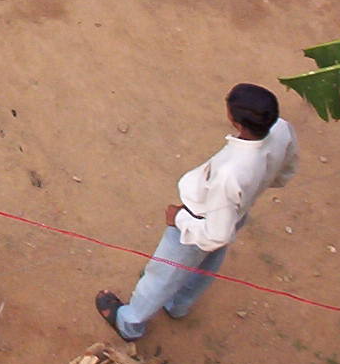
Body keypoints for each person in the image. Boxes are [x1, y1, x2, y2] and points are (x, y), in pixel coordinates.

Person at [97, 83, 300, 341]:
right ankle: (179, 304)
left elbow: (216, 235)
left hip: (199, 223)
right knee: (206, 263)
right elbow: (287, 170)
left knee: (163, 273)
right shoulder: (282, 129)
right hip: (234, 212)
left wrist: (179, 219)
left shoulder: (230, 174)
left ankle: (129, 322)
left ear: (236, 122)